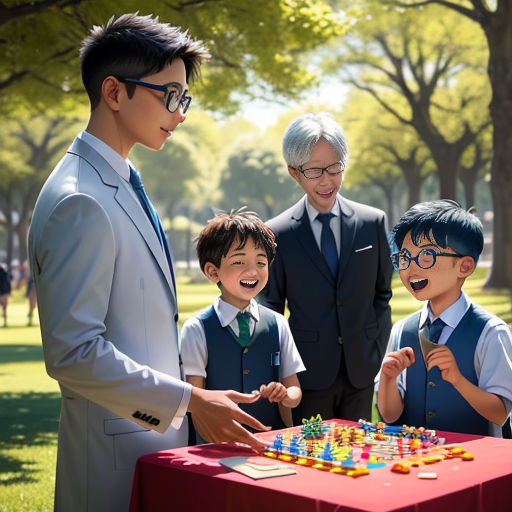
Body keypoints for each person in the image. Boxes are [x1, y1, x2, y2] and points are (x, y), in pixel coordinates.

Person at [27, 14, 268, 512]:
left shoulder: (119, 179)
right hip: (112, 458)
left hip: (149, 445)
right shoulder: (81, 199)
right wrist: (188, 401)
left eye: (185, 98)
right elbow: (73, 354)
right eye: (169, 95)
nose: (180, 113)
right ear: (114, 92)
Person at [259, 112, 393, 425]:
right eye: (315, 171)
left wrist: (374, 350)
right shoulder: (276, 233)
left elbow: (382, 294)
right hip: (307, 374)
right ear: (294, 172)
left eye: (334, 168)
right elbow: (272, 309)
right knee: (315, 458)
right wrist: (284, 370)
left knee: (359, 457)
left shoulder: (372, 222)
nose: (326, 180)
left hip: (362, 370)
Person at [376, 200, 512, 437]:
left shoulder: (491, 332)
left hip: (476, 461)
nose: (410, 269)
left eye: (426, 256)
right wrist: (388, 378)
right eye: (405, 257)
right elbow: (390, 415)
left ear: (465, 266)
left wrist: (458, 380)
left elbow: (502, 413)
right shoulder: (402, 330)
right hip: (415, 460)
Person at [180, 210, 305, 440]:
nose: (252, 271)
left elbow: (295, 391)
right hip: (215, 446)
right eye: (239, 261)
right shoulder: (196, 328)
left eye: (261, 261)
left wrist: (285, 394)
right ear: (212, 271)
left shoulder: (277, 323)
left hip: (271, 443)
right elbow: (193, 401)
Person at [0, 263, 11, 327]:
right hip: (4, 292)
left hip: (3, 292)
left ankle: (5, 322)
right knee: (4, 308)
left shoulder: (5, 273)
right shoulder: (5, 273)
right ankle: (5, 322)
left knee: (4, 308)